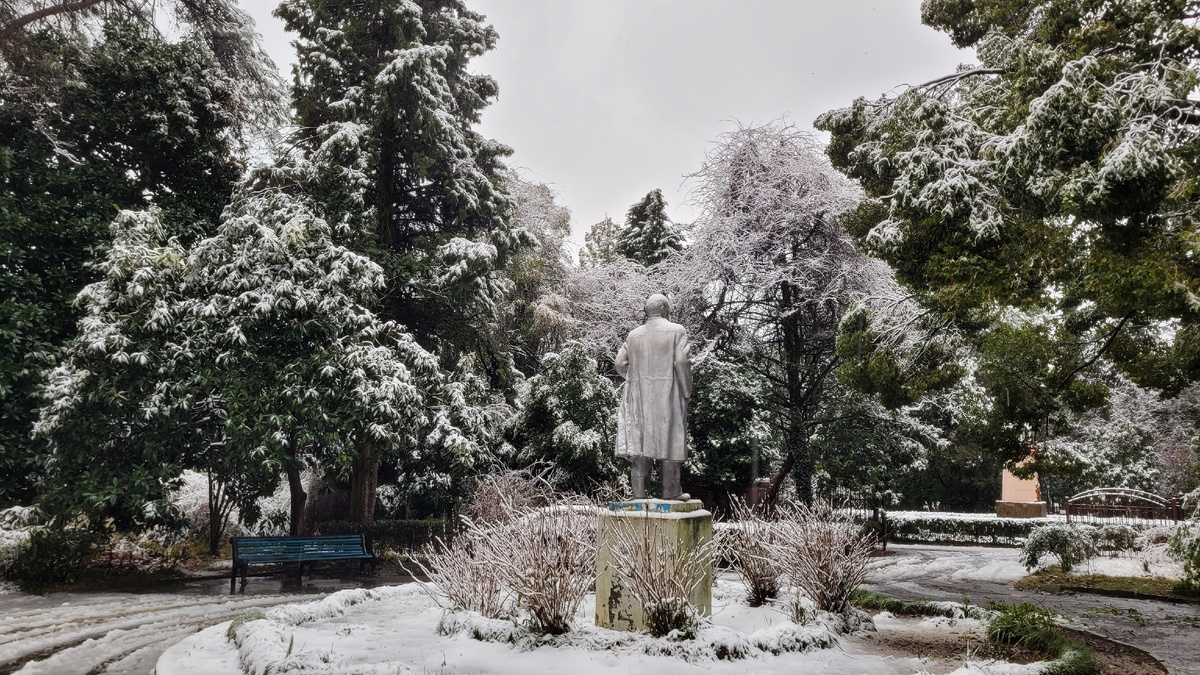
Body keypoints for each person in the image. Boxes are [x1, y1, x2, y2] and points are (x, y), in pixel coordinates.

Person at [614, 294, 692, 500]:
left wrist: (635, 378)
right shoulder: (677, 331)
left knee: (640, 441)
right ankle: (671, 491)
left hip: (639, 394)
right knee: (670, 438)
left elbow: (619, 364)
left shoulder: (633, 335)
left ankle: (639, 493)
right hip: (669, 392)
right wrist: (686, 391)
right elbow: (682, 363)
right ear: (665, 309)